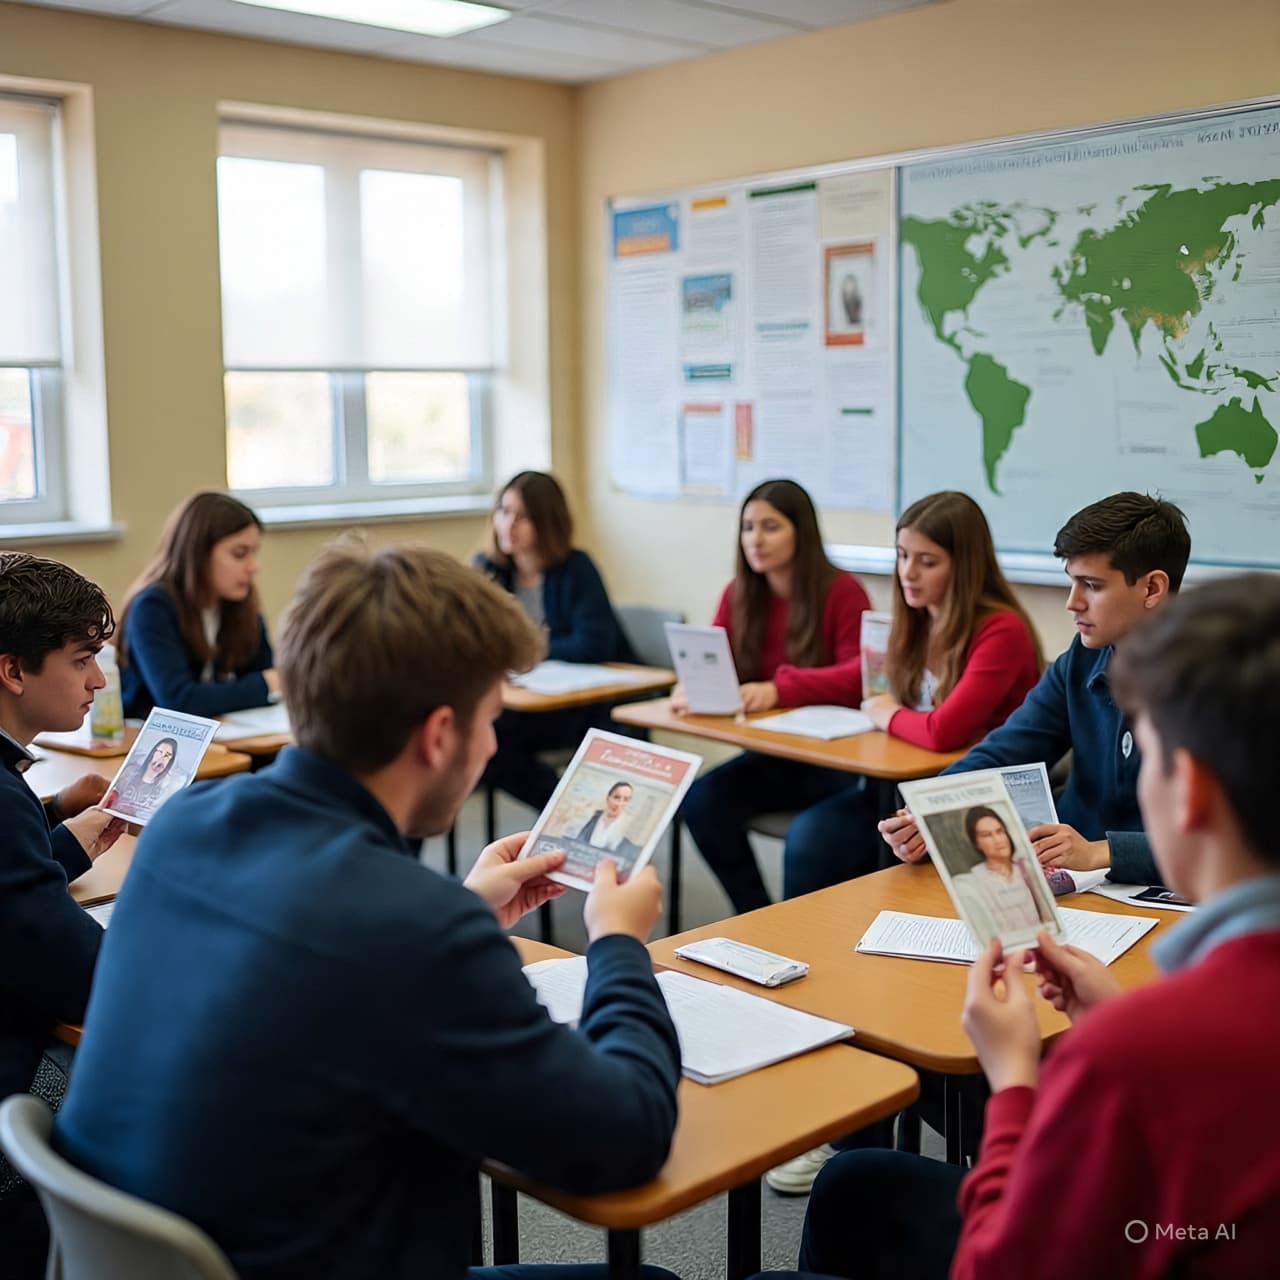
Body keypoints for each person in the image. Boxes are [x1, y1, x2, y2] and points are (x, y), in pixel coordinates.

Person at [53, 542, 683, 1280]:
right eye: (490, 722)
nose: (491, 746)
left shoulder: (185, 826)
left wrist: (455, 909)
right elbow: (624, 1136)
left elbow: (322, 954)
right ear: (440, 734)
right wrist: (616, 943)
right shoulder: (413, 928)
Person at [766, 571, 1280, 1280]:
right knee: (855, 1182)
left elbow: (998, 1264)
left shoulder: (1145, 1051)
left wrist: (1015, 1081)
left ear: (1188, 790)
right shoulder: (1166, 1027)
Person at [880, 491, 1191, 887]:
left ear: (1152, 589)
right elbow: (1006, 749)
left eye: (1091, 586)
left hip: (1161, 888)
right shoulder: (1080, 659)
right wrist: (925, 810)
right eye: (1071, 582)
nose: (1072, 603)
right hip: (1072, 880)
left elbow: (1239, 838)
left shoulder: (1218, 684)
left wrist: (1103, 851)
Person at [781, 491, 1042, 902]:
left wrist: (886, 712)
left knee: (834, 845)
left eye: (927, 561)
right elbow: (868, 687)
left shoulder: (1001, 630)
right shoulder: (915, 623)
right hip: (903, 792)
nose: (908, 573)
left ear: (965, 567)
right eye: (902, 556)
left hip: (976, 802)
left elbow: (943, 731)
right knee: (811, 838)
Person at [0, 553, 126, 1277]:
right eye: (81, 660)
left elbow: (11, 895)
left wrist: (58, 832)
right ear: (14, 671)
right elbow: (81, 975)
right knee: (151, 1076)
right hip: (12, 1080)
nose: (98, 682)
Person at [677, 479, 870, 914]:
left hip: (833, 760)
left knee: (810, 841)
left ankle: (786, 927)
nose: (755, 539)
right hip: (775, 755)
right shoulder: (740, 593)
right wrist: (692, 685)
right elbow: (717, 661)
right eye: (747, 527)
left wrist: (780, 689)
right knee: (700, 801)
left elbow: (860, 674)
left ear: (800, 532)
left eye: (770, 526)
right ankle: (756, 914)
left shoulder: (842, 591)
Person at [474, 471, 633, 812]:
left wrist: (523, 649)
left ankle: (569, 814)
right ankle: (565, 808)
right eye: (503, 511)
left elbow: (592, 645)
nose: (508, 525)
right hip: (526, 702)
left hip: (581, 707)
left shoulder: (576, 568)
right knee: (481, 737)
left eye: (523, 516)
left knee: (496, 734)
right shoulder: (488, 569)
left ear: (547, 523)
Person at [117, 491, 279, 719]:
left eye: (254, 553)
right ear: (198, 553)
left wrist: (265, 683)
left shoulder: (239, 603)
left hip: (228, 737)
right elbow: (179, 701)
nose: (254, 567)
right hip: (152, 742)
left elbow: (264, 674)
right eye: (240, 554)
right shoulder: (153, 607)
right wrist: (264, 685)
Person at [949, 805, 1055, 940]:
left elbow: (1048, 918)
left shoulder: (1026, 870)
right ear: (976, 843)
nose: (997, 840)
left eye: (1000, 831)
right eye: (987, 835)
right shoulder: (971, 882)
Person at [102, 735, 181, 820]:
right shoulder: (129, 773)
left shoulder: (165, 790)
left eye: (167, 755)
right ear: (153, 753)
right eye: (160, 752)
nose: (162, 758)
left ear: (170, 761)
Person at [577, 780, 634, 851]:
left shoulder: (628, 829)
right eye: (616, 797)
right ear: (608, 797)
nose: (619, 804)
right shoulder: (592, 818)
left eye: (625, 800)